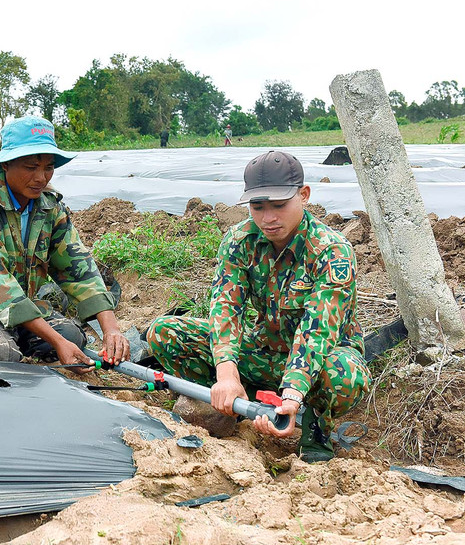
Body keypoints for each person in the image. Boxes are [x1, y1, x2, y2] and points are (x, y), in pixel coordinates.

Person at [145, 150, 370, 462]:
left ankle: (315, 427)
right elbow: (225, 307)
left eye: (279, 205)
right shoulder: (240, 240)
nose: (268, 218)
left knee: (345, 376)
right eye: (257, 207)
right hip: (263, 349)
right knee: (164, 333)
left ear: (303, 195)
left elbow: (318, 331)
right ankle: (230, 403)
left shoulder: (331, 251)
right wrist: (227, 374)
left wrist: (291, 394)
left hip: (319, 360)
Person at [0, 116, 130, 370]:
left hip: (18, 308)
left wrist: (112, 330)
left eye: (48, 168)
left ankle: (9, 334)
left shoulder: (49, 207)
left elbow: (78, 268)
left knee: (72, 336)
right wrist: (56, 341)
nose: (41, 178)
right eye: (31, 167)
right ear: (6, 164)